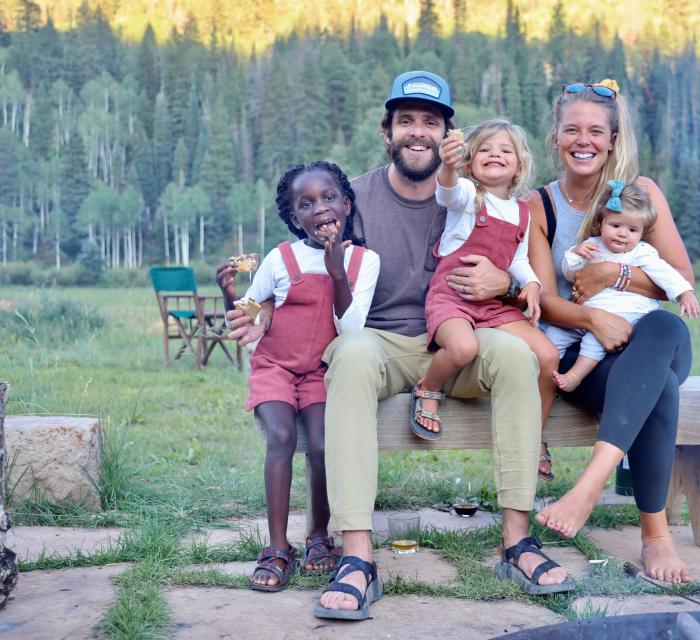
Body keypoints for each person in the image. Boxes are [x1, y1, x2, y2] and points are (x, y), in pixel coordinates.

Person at [226, 71, 572, 620]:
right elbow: (300, 259)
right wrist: (262, 309)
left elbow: (519, 269)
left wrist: (505, 284)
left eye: (430, 123)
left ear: (449, 135)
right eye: (405, 121)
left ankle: (517, 541)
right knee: (354, 353)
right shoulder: (353, 196)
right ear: (386, 131)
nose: (418, 133)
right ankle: (358, 557)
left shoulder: (480, 195)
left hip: (456, 339)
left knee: (513, 355)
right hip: (382, 340)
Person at [524, 79, 696, 583]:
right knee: (658, 387)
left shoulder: (642, 195)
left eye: (596, 131)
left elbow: (679, 280)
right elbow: (545, 299)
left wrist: (614, 275)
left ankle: (590, 485)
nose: (584, 140)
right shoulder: (540, 206)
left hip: (651, 340)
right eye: (572, 129)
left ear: (613, 139)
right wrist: (594, 316)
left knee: (663, 327)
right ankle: (655, 537)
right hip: (589, 359)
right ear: (555, 137)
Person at [216, 161, 380, 592]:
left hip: (321, 372)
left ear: (346, 204)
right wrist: (230, 294)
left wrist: (337, 269)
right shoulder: (280, 258)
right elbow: (251, 313)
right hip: (275, 367)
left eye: (328, 198)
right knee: (282, 438)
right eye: (306, 204)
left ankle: (318, 537)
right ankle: (276, 546)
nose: (319, 208)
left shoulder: (364, 261)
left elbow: (351, 329)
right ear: (294, 218)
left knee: (324, 444)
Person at [413, 119, 560, 481]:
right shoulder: (465, 195)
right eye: (485, 149)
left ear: (519, 166)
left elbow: (519, 260)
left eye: (505, 150)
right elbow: (444, 192)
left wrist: (533, 286)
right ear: (469, 161)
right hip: (453, 296)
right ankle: (428, 388)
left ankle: (533, 435)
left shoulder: (522, 211)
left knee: (548, 356)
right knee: (462, 348)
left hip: (493, 305)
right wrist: (447, 165)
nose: (495, 154)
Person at [546, 179, 700, 392]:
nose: (622, 233)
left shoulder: (641, 253)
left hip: (623, 316)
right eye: (615, 225)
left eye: (632, 230)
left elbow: (665, 274)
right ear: (602, 223)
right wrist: (575, 255)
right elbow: (571, 275)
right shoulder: (592, 246)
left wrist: (684, 293)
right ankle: (544, 376)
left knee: (593, 341)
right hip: (587, 315)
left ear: (642, 233)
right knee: (553, 335)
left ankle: (574, 376)